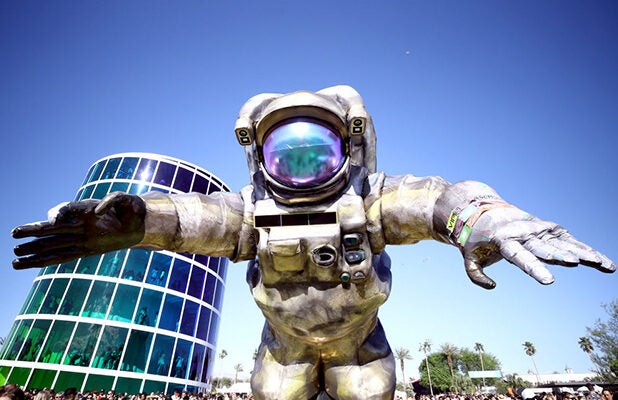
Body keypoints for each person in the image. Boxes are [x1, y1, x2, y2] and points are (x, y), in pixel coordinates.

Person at [11, 86, 616, 400]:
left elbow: (440, 200)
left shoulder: (374, 198)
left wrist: (485, 219)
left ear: (347, 147)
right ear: (260, 156)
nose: (301, 167)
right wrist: (132, 221)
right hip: (284, 353)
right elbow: (186, 219)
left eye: (315, 152)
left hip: (360, 351)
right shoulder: (246, 211)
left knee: (366, 392)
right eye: (287, 154)